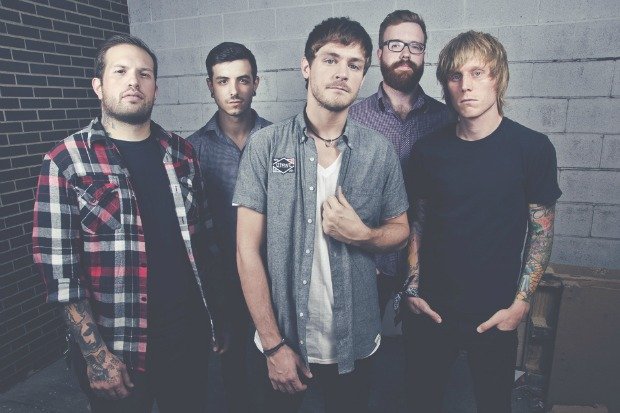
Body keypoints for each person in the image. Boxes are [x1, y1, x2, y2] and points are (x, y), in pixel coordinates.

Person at [32, 34, 225, 412]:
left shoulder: (182, 153)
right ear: (98, 86)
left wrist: (218, 318)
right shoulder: (66, 160)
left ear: (155, 87)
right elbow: (61, 273)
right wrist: (96, 357)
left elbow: (206, 243)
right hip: (117, 348)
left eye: (144, 73)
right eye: (120, 71)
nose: (134, 81)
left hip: (186, 338)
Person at [233, 17, 409, 413]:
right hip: (283, 337)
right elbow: (246, 251)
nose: (342, 73)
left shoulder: (378, 151)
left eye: (354, 64)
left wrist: (364, 235)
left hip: (356, 339)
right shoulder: (265, 146)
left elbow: (400, 229)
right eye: (330, 60)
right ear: (306, 66)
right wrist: (273, 345)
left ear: (363, 76)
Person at [397, 31, 561, 413]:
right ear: (445, 85)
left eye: (477, 73)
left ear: (497, 78)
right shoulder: (428, 150)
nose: (465, 86)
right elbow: (418, 223)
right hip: (431, 311)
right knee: (420, 402)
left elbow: (541, 233)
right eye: (455, 76)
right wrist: (412, 289)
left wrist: (521, 303)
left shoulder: (533, 148)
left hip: (495, 315)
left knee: (493, 404)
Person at [349, 10, 454, 316]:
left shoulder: (447, 120)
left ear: (424, 55)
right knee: (362, 342)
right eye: (395, 45)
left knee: (423, 343)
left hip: (429, 265)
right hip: (370, 261)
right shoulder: (352, 119)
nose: (406, 54)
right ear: (380, 53)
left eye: (415, 46)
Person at [187, 41, 271, 413]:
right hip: (222, 275)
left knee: (275, 359)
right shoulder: (192, 149)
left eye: (242, 80)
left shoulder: (279, 140)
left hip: (272, 272)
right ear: (210, 86)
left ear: (256, 83)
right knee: (232, 361)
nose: (234, 91)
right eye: (223, 81)